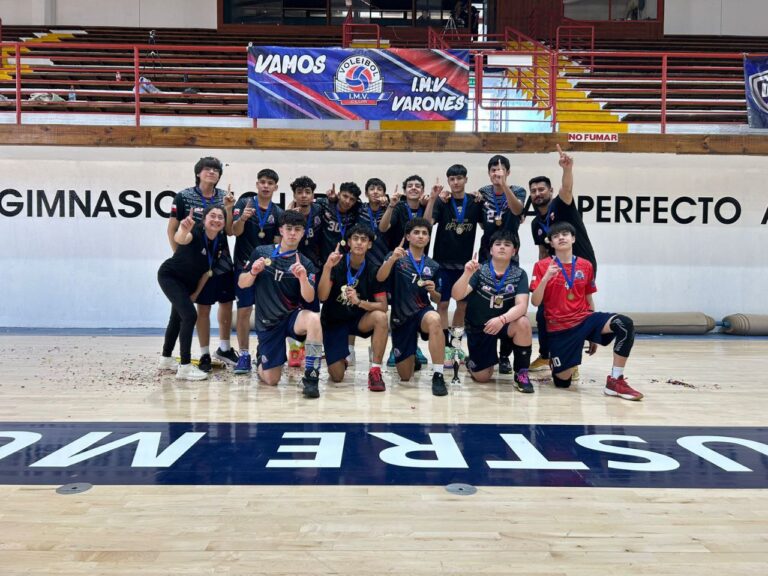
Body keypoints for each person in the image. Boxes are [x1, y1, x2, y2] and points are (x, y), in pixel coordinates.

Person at [530, 222, 643, 401]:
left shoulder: (585, 265)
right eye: (556, 236)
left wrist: (592, 335)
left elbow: (588, 298)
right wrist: (546, 278)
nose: (561, 237)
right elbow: (535, 302)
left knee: (624, 323)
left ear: (573, 238)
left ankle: (615, 380)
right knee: (562, 383)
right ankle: (557, 361)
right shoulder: (542, 266)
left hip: (584, 319)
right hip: (560, 328)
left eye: (565, 234)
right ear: (551, 243)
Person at [237, 210, 323, 399]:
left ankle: (311, 376)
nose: (293, 233)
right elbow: (242, 284)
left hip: (292, 318)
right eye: (289, 228)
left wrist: (303, 279)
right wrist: (253, 272)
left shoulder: (306, 263)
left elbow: (309, 298)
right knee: (271, 380)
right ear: (281, 230)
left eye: (297, 229)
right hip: (268, 323)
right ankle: (261, 357)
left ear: (303, 233)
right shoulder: (262, 253)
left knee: (314, 320)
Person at [528, 145, 597, 377]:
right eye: (533, 191)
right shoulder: (536, 224)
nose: (538, 193)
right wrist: (541, 275)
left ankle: (571, 361)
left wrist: (567, 169)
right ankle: (546, 354)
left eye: (541, 189)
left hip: (580, 265)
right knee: (543, 313)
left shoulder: (561, 204)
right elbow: (543, 251)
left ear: (550, 191)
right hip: (555, 270)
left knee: (574, 312)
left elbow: (566, 189)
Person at [167, 157, 237, 372]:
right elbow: (172, 229)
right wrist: (183, 258)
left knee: (226, 303)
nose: (212, 172)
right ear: (198, 173)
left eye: (216, 170)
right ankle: (204, 353)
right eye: (207, 169)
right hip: (196, 263)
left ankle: (224, 348)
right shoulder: (183, 197)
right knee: (202, 307)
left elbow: (229, 231)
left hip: (222, 260)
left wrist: (228, 208)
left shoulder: (225, 197)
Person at [452, 231, 533, 392]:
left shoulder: (520, 274)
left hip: (504, 324)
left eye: (507, 245)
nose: (502, 247)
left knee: (523, 323)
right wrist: (467, 273)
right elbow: (457, 295)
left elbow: (522, 306)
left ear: (514, 251)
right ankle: (471, 362)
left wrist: (502, 319)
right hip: (480, 326)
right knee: (483, 378)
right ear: (491, 250)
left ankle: (521, 374)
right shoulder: (479, 271)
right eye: (498, 244)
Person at [158, 206, 230, 381]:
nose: (216, 220)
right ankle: (185, 367)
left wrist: (196, 294)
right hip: (170, 277)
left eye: (220, 217)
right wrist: (183, 229)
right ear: (204, 219)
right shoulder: (195, 232)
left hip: (189, 285)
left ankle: (166, 358)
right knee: (190, 316)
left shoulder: (220, 240)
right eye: (212, 216)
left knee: (176, 318)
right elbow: (181, 238)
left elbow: (206, 272)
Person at [376, 218, 447, 396]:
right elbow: (380, 277)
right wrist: (392, 259)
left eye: (424, 233)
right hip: (401, 317)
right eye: (416, 232)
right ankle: (411, 356)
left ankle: (438, 375)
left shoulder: (433, 265)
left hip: (422, 312)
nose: (420, 236)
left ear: (428, 238)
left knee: (435, 319)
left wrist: (433, 291)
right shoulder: (396, 257)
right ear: (408, 236)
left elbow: (438, 299)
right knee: (406, 376)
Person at [318, 225, 389, 391]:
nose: (359, 243)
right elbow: (322, 296)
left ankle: (375, 371)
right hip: (334, 320)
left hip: (359, 319)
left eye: (363, 240)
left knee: (380, 317)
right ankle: (340, 357)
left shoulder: (374, 268)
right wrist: (327, 267)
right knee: (337, 377)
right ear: (349, 242)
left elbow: (383, 306)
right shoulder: (336, 263)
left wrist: (359, 302)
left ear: (369, 245)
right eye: (355, 239)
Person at [379, 175, 437, 367]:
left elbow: (427, 225)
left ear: (422, 190)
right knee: (398, 307)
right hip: (398, 261)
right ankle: (397, 347)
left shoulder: (426, 206)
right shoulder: (398, 207)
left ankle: (414, 348)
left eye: (417, 186)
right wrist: (391, 205)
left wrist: (433, 199)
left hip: (419, 263)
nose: (413, 188)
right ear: (404, 190)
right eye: (410, 185)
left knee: (418, 304)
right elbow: (383, 228)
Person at [428, 164, 484, 364]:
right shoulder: (442, 202)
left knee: (462, 306)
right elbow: (428, 223)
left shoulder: (475, 202)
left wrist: (480, 197)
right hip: (442, 263)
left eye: (459, 178)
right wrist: (433, 198)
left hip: (464, 266)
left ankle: (455, 346)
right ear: (448, 181)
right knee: (442, 304)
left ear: (466, 179)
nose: (456, 182)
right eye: (452, 179)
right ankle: (444, 347)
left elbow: (486, 226)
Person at [230, 168, 283, 375]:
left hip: (267, 270)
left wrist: (271, 265)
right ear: (257, 184)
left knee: (266, 312)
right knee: (244, 311)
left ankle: (263, 350)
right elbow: (234, 232)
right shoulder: (244, 203)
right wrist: (242, 219)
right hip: (243, 267)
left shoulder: (277, 212)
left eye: (270, 183)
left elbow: (277, 243)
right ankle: (244, 354)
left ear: (275, 187)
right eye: (262, 182)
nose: (266, 186)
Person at [477, 154, 527, 374]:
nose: (496, 173)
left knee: (507, 301)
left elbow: (517, 211)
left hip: (509, 249)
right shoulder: (482, 192)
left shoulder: (517, 191)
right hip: (487, 250)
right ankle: (484, 350)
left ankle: (505, 355)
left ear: (508, 172)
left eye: (501, 169)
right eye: (493, 170)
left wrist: (504, 186)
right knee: (483, 299)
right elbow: (481, 221)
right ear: (488, 173)